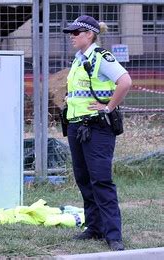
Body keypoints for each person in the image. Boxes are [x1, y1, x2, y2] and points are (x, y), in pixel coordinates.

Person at [62, 15, 132, 251]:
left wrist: (108, 107)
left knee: (101, 180)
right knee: (84, 179)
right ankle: (94, 228)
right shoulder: (78, 59)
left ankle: (113, 235)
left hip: (96, 127)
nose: (71, 37)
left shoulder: (101, 57)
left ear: (89, 34)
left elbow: (125, 81)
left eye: (75, 33)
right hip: (76, 126)